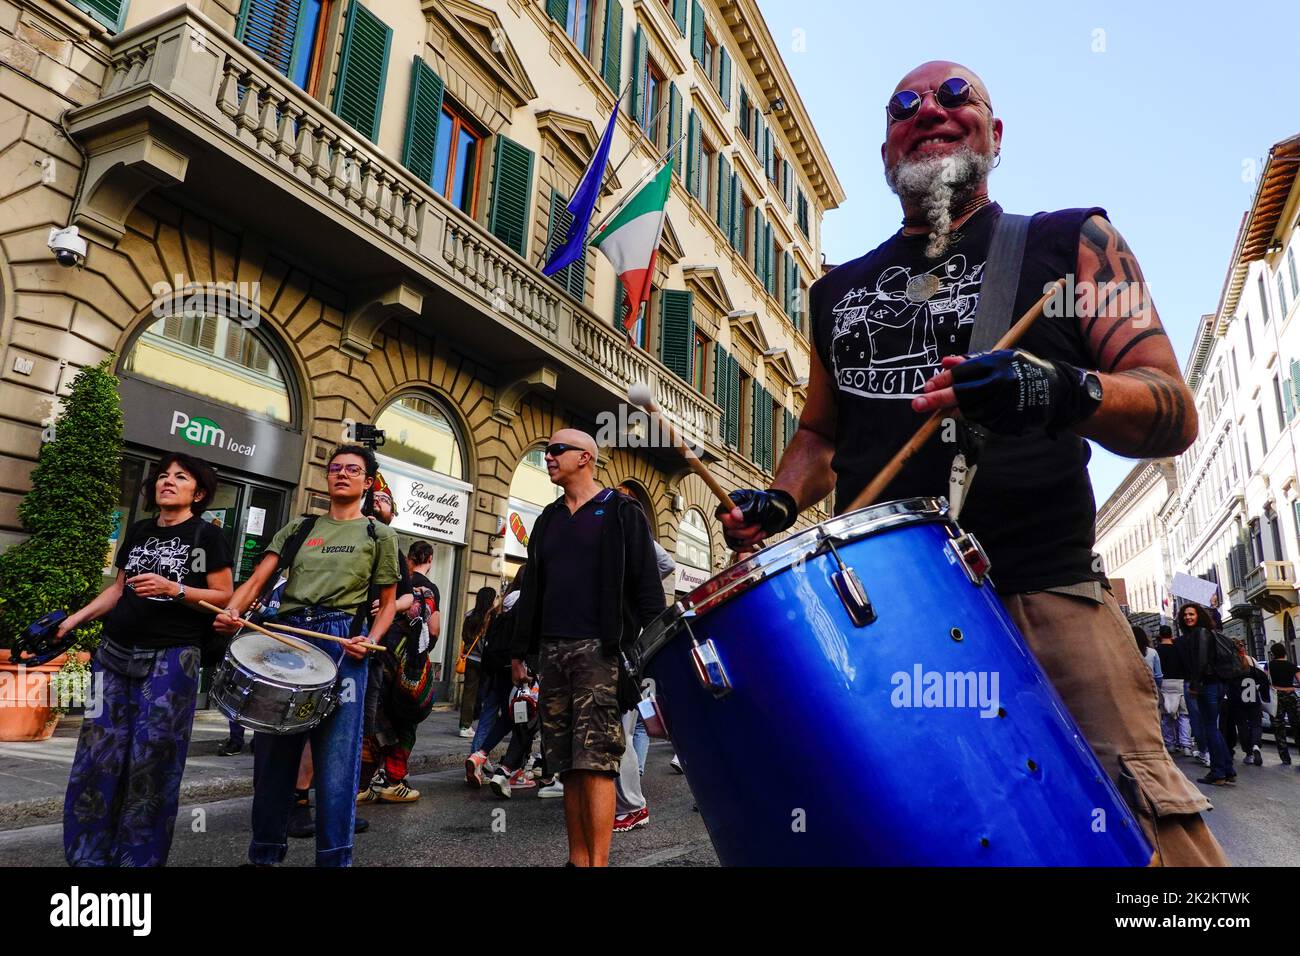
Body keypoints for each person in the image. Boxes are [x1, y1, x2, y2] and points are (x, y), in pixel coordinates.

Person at [717, 60, 1224, 866]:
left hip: (1045, 599)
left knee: (1147, 841)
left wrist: (1056, 388)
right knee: (920, 837)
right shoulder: (836, 291)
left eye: (957, 96)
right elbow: (819, 438)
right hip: (888, 622)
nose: (931, 111)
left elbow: (1172, 409)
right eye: (905, 105)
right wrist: (778, 503)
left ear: (994, 131)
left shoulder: (1072, 243)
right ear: (886, 151)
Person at [216, 445, 398, 867]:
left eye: (353, 470)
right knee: (273, 759)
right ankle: (264, 855)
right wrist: (233, 611)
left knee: (336, 763)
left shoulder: (379, 534)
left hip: (343, 643)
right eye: (335, 468)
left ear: (367, 483)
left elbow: (389, 602)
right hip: (288, 639)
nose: (342, 474)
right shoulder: (300, 527)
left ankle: (334, 858)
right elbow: (260, 578)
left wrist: (370, 639)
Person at [60, 454, 233, 866]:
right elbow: (118, 590)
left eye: (181, 477)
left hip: (172, 659)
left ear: (199, 492)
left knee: (153, 762)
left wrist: (175, 589)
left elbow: (224, 595)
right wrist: (74, 619)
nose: (167, 481)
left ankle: (137, 860)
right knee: (96, 756)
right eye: (163, 476)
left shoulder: (208, 536)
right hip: (113, 653)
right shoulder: (138, 531)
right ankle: (88, 856)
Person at [508, 430, 667, 866]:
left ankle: (597, 863)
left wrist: (647, 655)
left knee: (596, 761)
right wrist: (519, 651)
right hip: (552, 653)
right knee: (566, 763)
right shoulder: (547, 518)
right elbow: (533, 588)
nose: (548, 457)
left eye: (556, 450)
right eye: (546, 451)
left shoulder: (621, 511)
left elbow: (649, 590)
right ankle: (577, 860)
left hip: (601, 652)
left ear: (586, 458)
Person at [1176, 603, 1234, 787]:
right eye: (1185, 615)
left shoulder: (1200, 633)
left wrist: (1195, 684)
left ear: (1198, 615)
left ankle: (1218, 772)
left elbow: (1200, 661)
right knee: (1213, 728)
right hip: (1214, 684)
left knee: (1209, 728)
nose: (1187, 617)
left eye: (1191, 614)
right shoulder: (1206, 632)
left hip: (1206, 685)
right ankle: (1227, 769)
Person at [458, 587, 496, 738]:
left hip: (471, 659)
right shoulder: (491, 618)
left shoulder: (470, 616)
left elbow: (465, 637)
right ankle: (482, 725)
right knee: (486, 693)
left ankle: (464, 725)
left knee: (469, 693)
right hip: (485, 660)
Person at [1223, 638, 1265, 767]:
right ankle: (1256, 745)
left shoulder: (1230, 663)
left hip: (1237, 697)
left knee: (1242, 725)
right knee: (1256, 724)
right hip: (1252, 695)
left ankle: (1249, 753)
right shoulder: (1251, 660)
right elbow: (1263, 677)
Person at [1155, 625, 1194, 757]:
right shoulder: (1179, 649)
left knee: (1167, 715)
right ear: (1171, 635)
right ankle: (1186, 744)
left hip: (1164, 683)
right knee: (1183, 715)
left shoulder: (1157, 650)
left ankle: (1170, 743)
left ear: (1160, 635)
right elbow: (1187, 666)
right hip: (1180, 682)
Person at [1267, 643, 1299, 764]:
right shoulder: (1291, 665)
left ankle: (1285, 758)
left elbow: (1267, 680)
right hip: (1291, 696)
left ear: (1273, 654)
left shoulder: (1270, 666)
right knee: (1296, 725)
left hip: (1276, 697)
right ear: (1284, 652)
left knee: (1279, 727)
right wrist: (1293, 687)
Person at [1134, 624, 1161, 692]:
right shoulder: (1152, 652)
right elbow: (1158, 675)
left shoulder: (1128, 653)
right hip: (1151, 685)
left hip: (1134, 687)